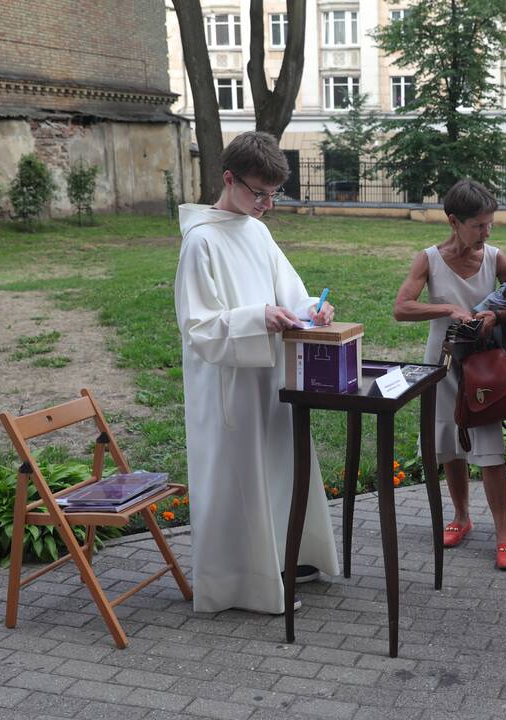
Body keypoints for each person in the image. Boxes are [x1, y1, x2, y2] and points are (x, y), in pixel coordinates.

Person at [175, 131, 340, 614]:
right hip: (229, 385)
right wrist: (257, 317)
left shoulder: (257, 230)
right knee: (240, 478)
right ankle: (244, 582)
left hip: (272, 377)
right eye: (258, 193)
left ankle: (288, 560)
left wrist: (314, 309)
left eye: (274, 195)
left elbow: (288, 292)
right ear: (229, 179)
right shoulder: (201, 241)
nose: (267, 204)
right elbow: (199, 328)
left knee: (280, 467)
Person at [393, 179, 506, 570]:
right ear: (454, 221)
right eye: (479, 225)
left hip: (482, 367)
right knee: (449, 444)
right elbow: (402, 308)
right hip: (444, 363)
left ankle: (503, 533)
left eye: (490, 224)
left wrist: (497, 314)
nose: (487, 232)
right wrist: (448, 309)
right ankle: (461, 517)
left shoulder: (496, 258)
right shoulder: (428, 259)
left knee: (490, 450)